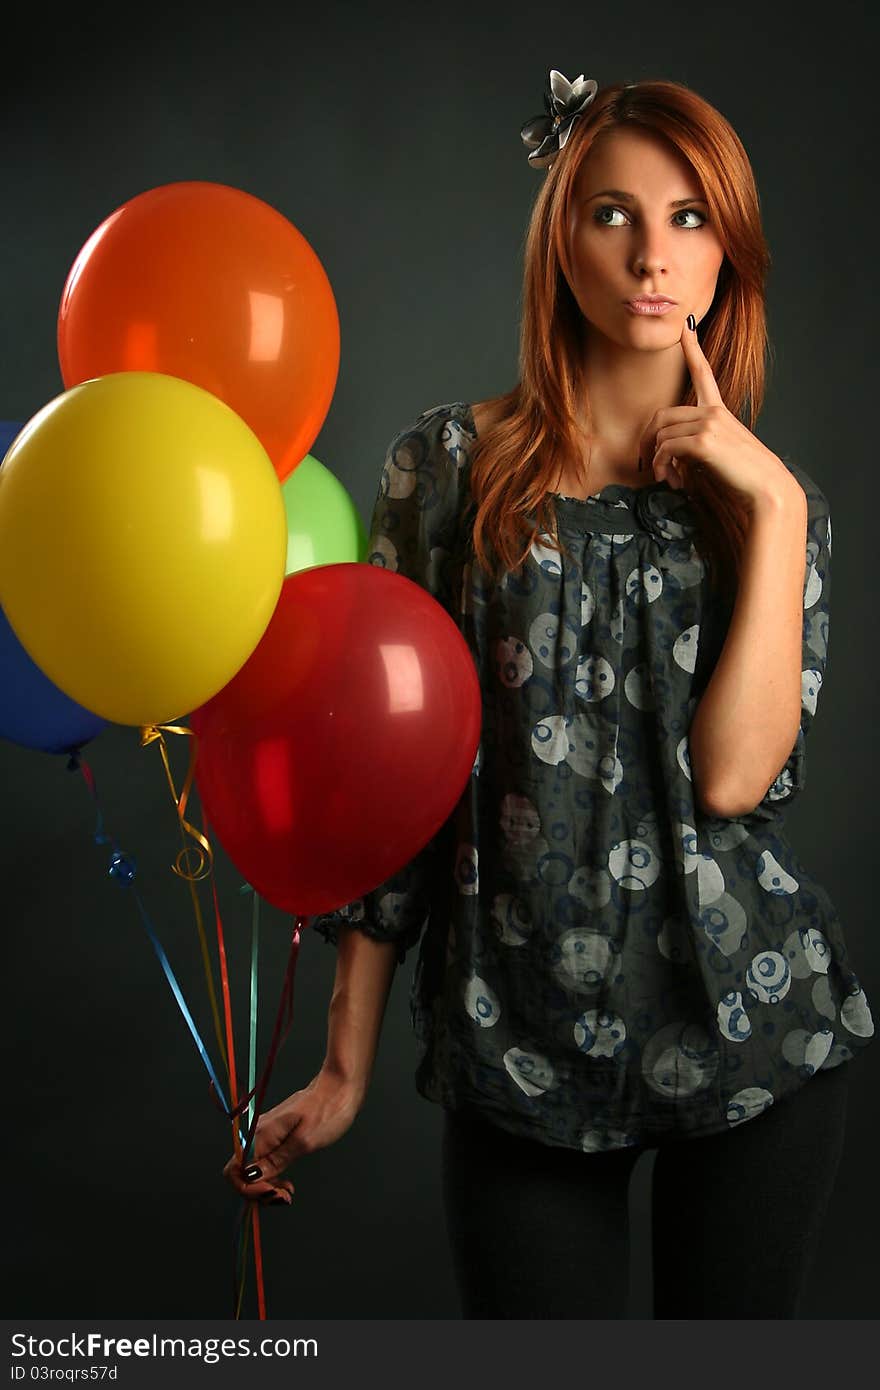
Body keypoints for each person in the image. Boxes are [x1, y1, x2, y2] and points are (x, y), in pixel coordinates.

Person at [222, 72, 875, 1318]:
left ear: (729, 248)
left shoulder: (776, 511)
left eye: (689, 219)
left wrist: (776, 513)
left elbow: (739, 778)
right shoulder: (446, 471)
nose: (652, 256)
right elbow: (386, 780)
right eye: (611, 214)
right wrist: (344, 1064)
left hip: (750, 1036)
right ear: (558, 236)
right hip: (513, 1048)